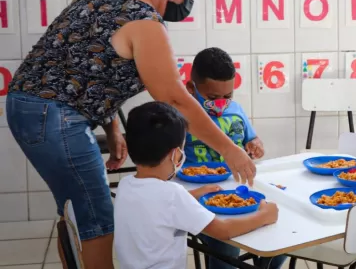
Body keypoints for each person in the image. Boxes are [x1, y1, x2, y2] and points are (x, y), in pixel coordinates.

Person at [5, 0, 255, 269]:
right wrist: (230, 150)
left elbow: (92, 71)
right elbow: (176, 98)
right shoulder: (143, 22)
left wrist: (112, 127)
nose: (187, 2)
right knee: (97, 217)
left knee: (79, 212)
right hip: (53, 116)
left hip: (31, 108)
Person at [114, 101, 278, 269]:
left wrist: (194, 194)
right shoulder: (172, 194)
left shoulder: (125, 186)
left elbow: (157, 208)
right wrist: (265, 215)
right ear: (175, 154)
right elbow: (223, 230)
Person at [184, 47, 287, 269]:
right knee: (226, 247)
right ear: (191, 88)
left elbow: (253, 140)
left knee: (281, 233)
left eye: (227, 96)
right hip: (201, 196)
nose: (221, 102)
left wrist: (256, 145)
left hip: (238, 190)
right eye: (212, 98)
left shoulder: (236, 110)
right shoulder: (182, 116)